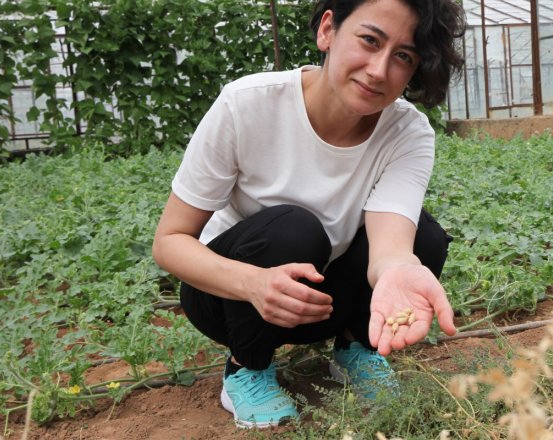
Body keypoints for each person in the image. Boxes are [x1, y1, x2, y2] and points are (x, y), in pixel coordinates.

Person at [151, 0, 466, 429]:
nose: (378, 70)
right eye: (369, 40)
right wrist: (253, 284)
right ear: (328, 30)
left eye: (403, 57)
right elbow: (169, 242)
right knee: (294, 229)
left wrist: (397, 271)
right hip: (231, 298)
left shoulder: (407, 132)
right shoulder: (248, 105)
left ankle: (356, 348)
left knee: (423, 236)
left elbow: (391, 244)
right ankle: (247, 365)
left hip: (317, 303)